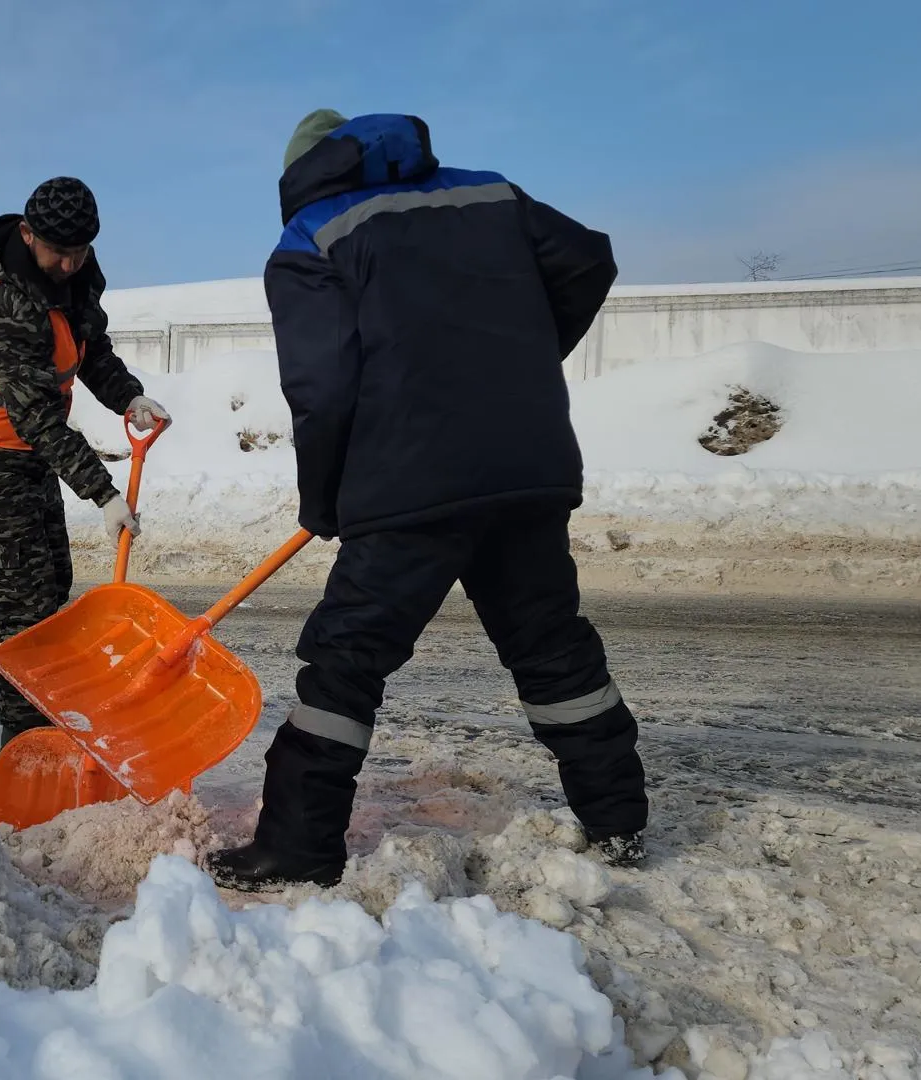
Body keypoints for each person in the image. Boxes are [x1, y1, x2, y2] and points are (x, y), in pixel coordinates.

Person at [204, 111, 649, 890]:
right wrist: (517, 362)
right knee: (551, 646)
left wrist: (324, 498)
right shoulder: (489, 195)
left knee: (345, 662)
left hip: (410, 480)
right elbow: (590, 261)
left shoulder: (314, 235)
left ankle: (299, 848)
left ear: (302, 173)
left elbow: (324, 387)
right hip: (524, 465)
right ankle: (616, 822)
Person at [0, 176, 172, 747]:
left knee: (52, 587)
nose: (69, 265)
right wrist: (104, 492)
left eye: (80, 253)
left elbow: (92, 353)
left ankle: (39, 716)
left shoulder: (73, 279)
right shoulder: (4, 304)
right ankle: (23, 746)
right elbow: (40, 420)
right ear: (27, 234)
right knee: (23, 609)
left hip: (29, 452)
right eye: (58, 253)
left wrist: (129, 396)